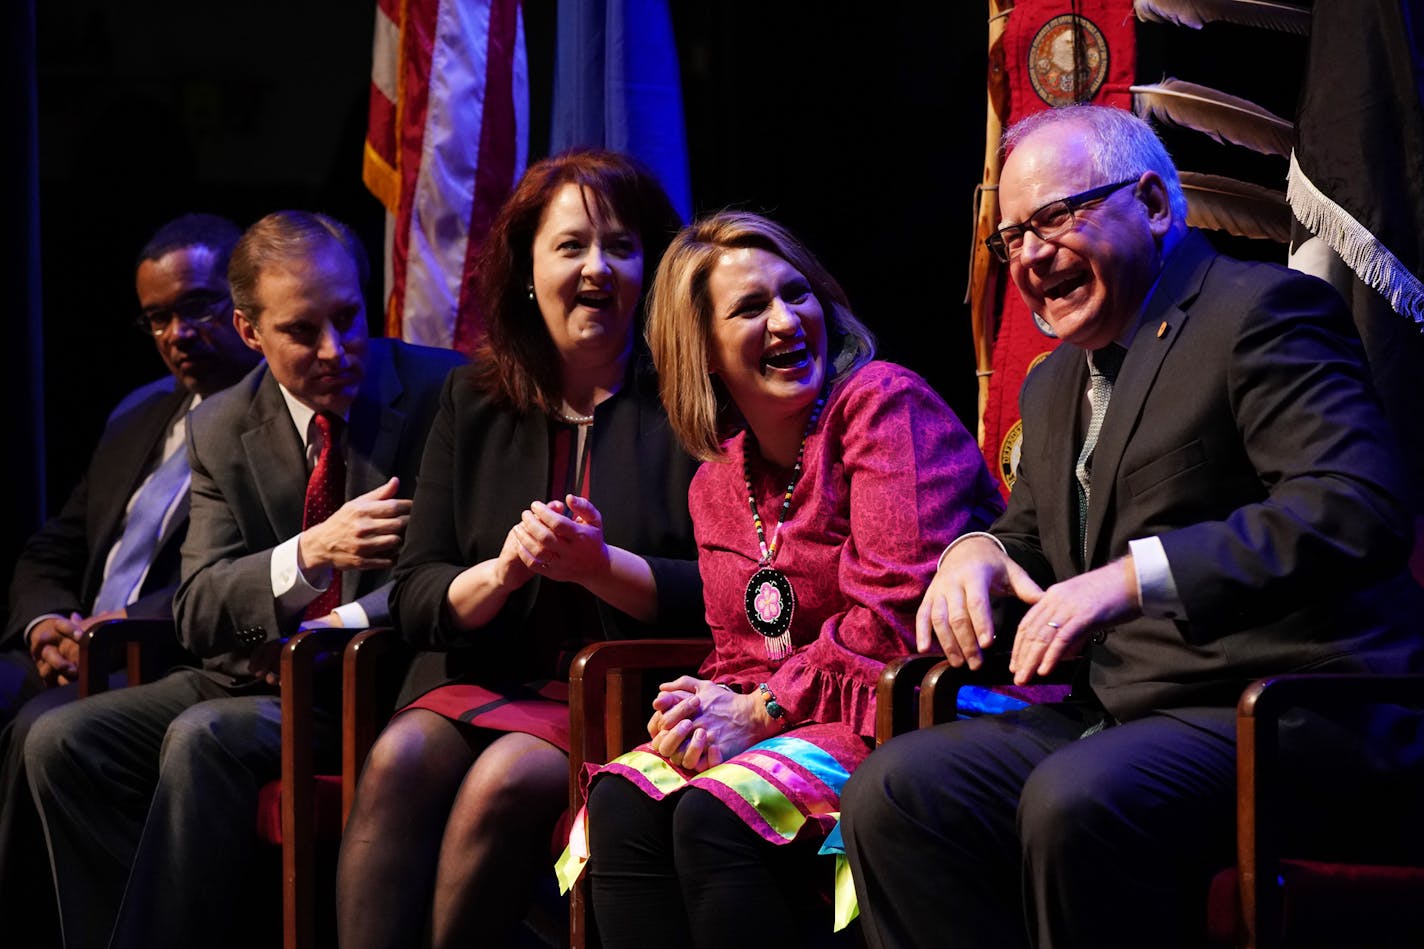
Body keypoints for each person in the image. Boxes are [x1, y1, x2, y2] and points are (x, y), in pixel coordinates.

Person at [839, 104, 1424, 949]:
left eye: (1054, 218)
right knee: (898, 789)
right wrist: (978, 551)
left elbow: (1353, 504)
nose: (1031, 255)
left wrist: (1132, 577)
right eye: (1011, 239)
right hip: (1127, 714)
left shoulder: (1260, 312)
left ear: (1151, 201)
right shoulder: (1052, 386)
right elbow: (1033, 536)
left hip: (1287, 714)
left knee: (1076, 796)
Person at [24, 210, 465, 949]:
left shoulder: (439, 391)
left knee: (203, 738)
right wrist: (308, 552)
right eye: (302, 331)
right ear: (250, 331)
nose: (335, 349)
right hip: (248, 676)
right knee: (59, 741)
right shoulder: (222, 424)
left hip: (373, 684)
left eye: (349, 318)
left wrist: (323, 631)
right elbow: (198, 605)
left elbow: (448, 567)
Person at [570, 211, 1006, 948]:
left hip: (914, 705)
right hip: (797, 714)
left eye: (795, 294)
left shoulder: (882, 405)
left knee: (718, 814)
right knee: (622, 801)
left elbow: (893, 618)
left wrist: (761, 708)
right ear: (702, 351)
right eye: (750, 308)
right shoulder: (715, 481)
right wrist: (702, 709)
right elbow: (740, 651)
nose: (785, 321)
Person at [334, 148, 703, 949]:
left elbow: (731, 588)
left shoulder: (691, 399)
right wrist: (501, 572)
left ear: (653, 269)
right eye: (571, 246)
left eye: (621, 246)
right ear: (529, 272)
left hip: (618, 697)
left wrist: (602, 566)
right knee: (399, 755)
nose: (597, 267)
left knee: (507, 777)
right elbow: (415, 590)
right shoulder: (471, 397)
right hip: (478, 677)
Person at [0, 212, 259, 929]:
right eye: (157, 319)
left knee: (43, 732)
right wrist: (46, 623)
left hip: (156, 655)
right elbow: (54, 546)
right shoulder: (139, 412)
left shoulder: (268, 422)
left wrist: (109, 631)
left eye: (197, 307)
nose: (177, 334)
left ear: (244, 304)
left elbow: (233, 576)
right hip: (71, 650)